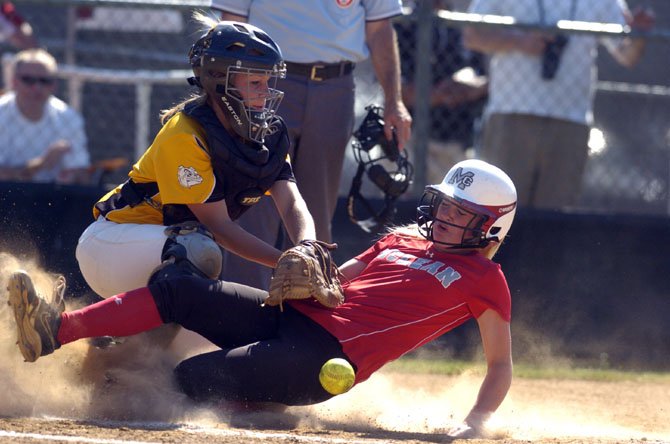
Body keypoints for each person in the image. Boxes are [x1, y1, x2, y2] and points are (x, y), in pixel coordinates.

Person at [9, 158, 516, 439]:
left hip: (319, 359)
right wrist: (310, 273)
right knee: (181, 287)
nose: (447, 218)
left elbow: (498, 365)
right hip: (288, 317)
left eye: (463, 214)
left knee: (191, 377)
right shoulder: (401, 239)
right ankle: (57, 329)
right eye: (446, 206)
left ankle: (262, 401)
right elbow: (336, 281)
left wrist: (476, 423)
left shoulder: (485, 278)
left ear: (491, 226)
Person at [74, 15, 316, 299]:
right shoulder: (185, 134)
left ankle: (109, 338)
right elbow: (221, 228)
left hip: (167, 249)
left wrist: (308, 249)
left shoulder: (267, 134)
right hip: (112, 244)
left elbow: (290, 202)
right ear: (219, 83)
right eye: (254, 82)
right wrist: (284, 262)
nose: (265, 92)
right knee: (198, 248)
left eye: (267, 80)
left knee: (213, 330)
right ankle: (69, 326)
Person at [210, 0, 413, 289]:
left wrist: (394, 100)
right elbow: (231, 22)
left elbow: (380, 28)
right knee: (252, 206)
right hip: (261, 80)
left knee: (317, 209)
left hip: (335, 85)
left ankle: (310, 312)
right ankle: (244, 309)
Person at [463, 0, 655, 209]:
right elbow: (472, 35)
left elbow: (627, 55)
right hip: (511, 114)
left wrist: (639, 34)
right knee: (496, 209)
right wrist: (520, 42)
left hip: (571, 121)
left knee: (556, 217)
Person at [396, 0, 488, 184]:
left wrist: (466, 88)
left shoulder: (462, 26)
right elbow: (399, 92)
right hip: (409, 141)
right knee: (406, 206)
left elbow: (484, 81)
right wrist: (441, 94)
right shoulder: (403, 25)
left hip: (456, 143)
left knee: (451, 207)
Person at [0, 48, 90, 184]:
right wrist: (40, 164)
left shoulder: (68, 118)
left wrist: (71, 177)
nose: (37, 88)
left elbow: (82, 176)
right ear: (14, 82)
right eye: (28, 80)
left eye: (45, 81)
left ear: (54, 85)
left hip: (50, 198)